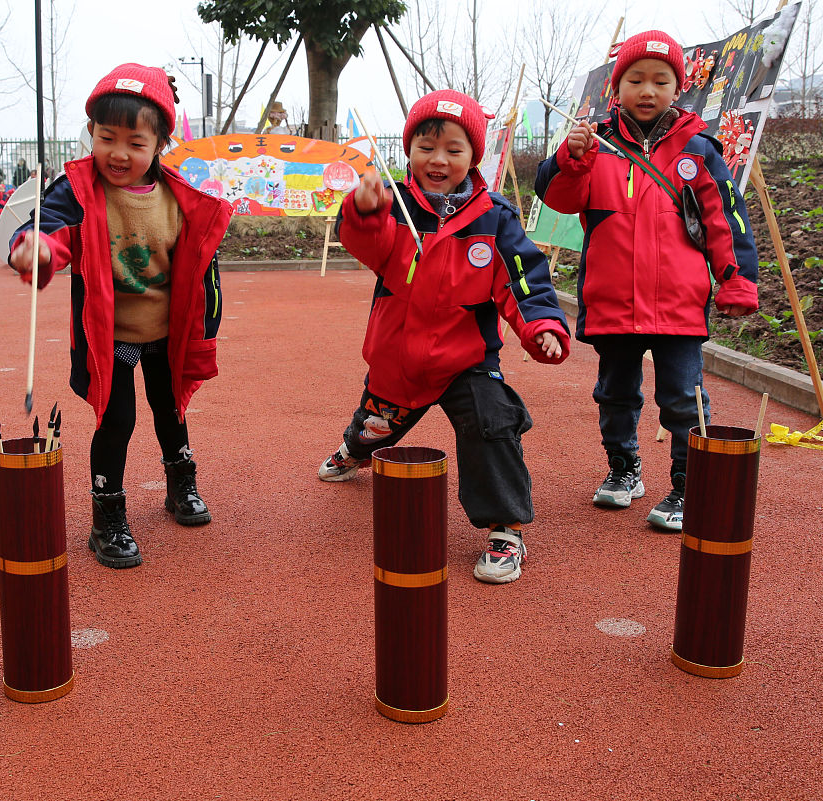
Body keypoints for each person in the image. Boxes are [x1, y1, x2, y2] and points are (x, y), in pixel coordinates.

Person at [318, 90, 571, 585]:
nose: (439, 160)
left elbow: (524, 280)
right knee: (375, 427)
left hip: (467, 358)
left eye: (454, 150)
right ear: (408, 150)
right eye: (426, 147)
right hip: (399, 358)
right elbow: (371, 248)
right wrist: (365, 211)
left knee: (492, 421)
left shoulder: (494, 217)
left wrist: (541, 326)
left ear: (474, 156)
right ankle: (353, 449)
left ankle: (506, 530)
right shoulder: (392, 202)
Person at [9, 63, 232, 569]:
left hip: (165, 332)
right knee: (117, 419)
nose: (119, 153)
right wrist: (37, 249)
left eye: (135, 142)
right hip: (109, 334)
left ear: (160, 145)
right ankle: (106, 516)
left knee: (169, 407)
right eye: (107, 137)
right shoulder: (77, 189)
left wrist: (204, 331)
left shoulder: (180, 199)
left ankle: (181, 483)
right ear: (91, 133)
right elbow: (53, 231)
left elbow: (203, 271)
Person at [535, 30, 758, 532]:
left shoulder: (698, 148)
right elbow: (557, 196)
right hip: (612, 303)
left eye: (661, 80)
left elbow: (727, 218)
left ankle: (687, 485)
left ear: (678, 89)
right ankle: (623, 469)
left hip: (678, 305)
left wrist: (737, 281)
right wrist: (571, 159)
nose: (647, 89)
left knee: (683, 399)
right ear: (617, 88)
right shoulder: (593, 144)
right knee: (614, 393)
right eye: (635, 79)